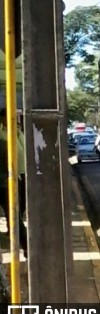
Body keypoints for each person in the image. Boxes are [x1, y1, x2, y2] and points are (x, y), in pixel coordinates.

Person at [0, 108, 28, 256]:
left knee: (18, 210)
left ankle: (19, 239)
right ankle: (24, 246)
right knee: (14, 213)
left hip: (19, 175)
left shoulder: (18, 132)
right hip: (8, 179)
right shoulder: (3, 134)